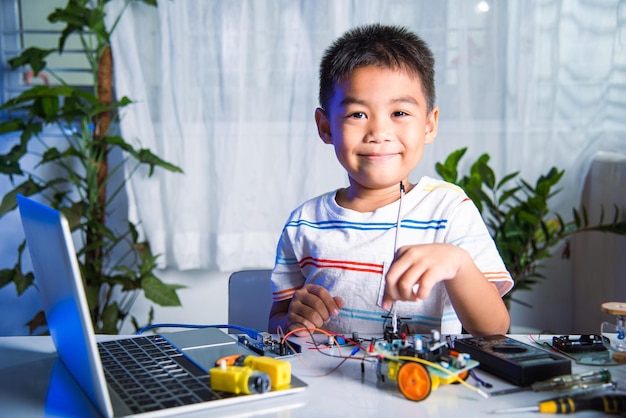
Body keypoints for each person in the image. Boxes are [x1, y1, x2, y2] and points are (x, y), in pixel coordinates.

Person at [268, 24, 512, 337]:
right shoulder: (305, 223)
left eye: (399, 113)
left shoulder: (450, 210)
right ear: (326, 127)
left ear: (429, 124)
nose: (378, 133)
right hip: (330, 384)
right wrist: (291, 318)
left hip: (422, 384)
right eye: (357, 114)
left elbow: (494, 328)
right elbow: (275, 321)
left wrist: (459, 265)